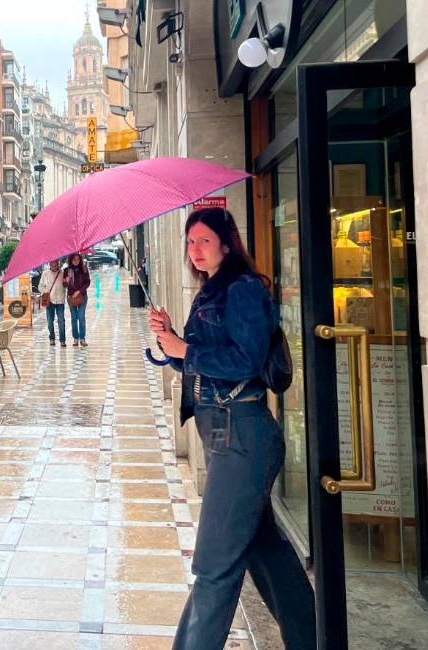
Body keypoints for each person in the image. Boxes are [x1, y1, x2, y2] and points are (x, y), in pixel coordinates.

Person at [148, 208, 315, 649]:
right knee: (265, 552)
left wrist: (185, 349)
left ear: (226, 242)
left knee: (214, 566)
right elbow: (202, 364)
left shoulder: (243, 289)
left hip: (242, 432)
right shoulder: (212, 291)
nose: (195, 250)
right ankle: (313, 640)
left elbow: (247, 361)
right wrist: (172, 341)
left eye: (204, 240)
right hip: (223, 431)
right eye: (190, 242)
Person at [62, 252, 91, 346]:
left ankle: (82, 338)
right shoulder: (66, 270)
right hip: (71, 297)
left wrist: (79, 291)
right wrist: (67, 280)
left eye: (78, 259)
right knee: (74, 318)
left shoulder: (84, 269)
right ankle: (75, 338)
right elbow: (64, 285)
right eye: (74, 259)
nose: (76, 261)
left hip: (82, 296)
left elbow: (87, 282)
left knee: (81, 317)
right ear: (71, 260)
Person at [38, 259, 67, 347]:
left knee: (61, 321)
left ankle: (62, 340)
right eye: (52, 264)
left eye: (56, 264)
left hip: (60, 301)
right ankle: (52, 338)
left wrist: (66, 281)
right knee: (50, 321)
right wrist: (45, 292)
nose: (54, 266)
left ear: (58, 264)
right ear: (50, 264)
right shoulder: (45, 273)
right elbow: (40, 286)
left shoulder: (62, 273)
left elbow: (66, 285)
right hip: (50, 301)